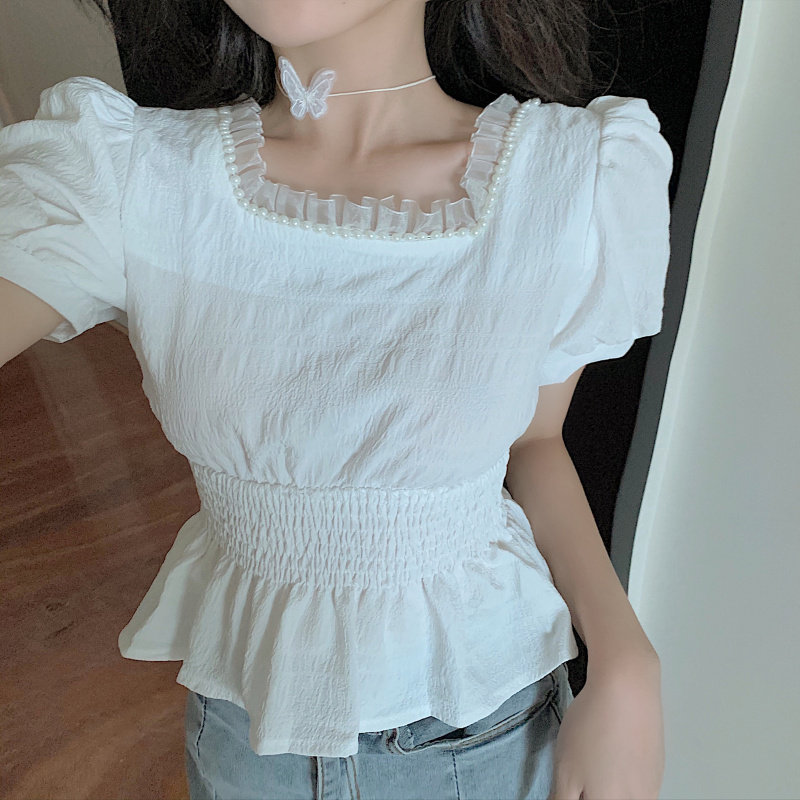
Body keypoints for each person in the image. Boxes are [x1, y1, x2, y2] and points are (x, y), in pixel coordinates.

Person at [0, 0, 671, 797]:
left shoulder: (569, 178)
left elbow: (534, 440)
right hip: (249, 733)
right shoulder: (133, 174)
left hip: (481, 730)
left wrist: (626, 660)